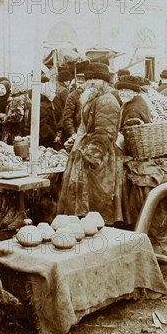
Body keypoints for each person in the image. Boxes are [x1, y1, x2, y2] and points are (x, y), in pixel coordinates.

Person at [58, 62, 123, 224]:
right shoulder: (93, 99)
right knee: (83, 204)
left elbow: (105, 132)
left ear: (104, 82)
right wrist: (76, 142)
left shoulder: (107, 101)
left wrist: (92, 156)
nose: (91, 82)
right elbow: (84, 128)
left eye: (95, 79)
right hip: (86, 156)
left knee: (98, 201)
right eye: (89, 79)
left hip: (100, 162)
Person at [61, 74, 86, 143]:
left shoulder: (91, 95)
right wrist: (73, 134)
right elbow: (68, 117)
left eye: (82, 83)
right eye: (78, 83)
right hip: (77, 132)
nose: (79, 85)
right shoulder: (72, 96)